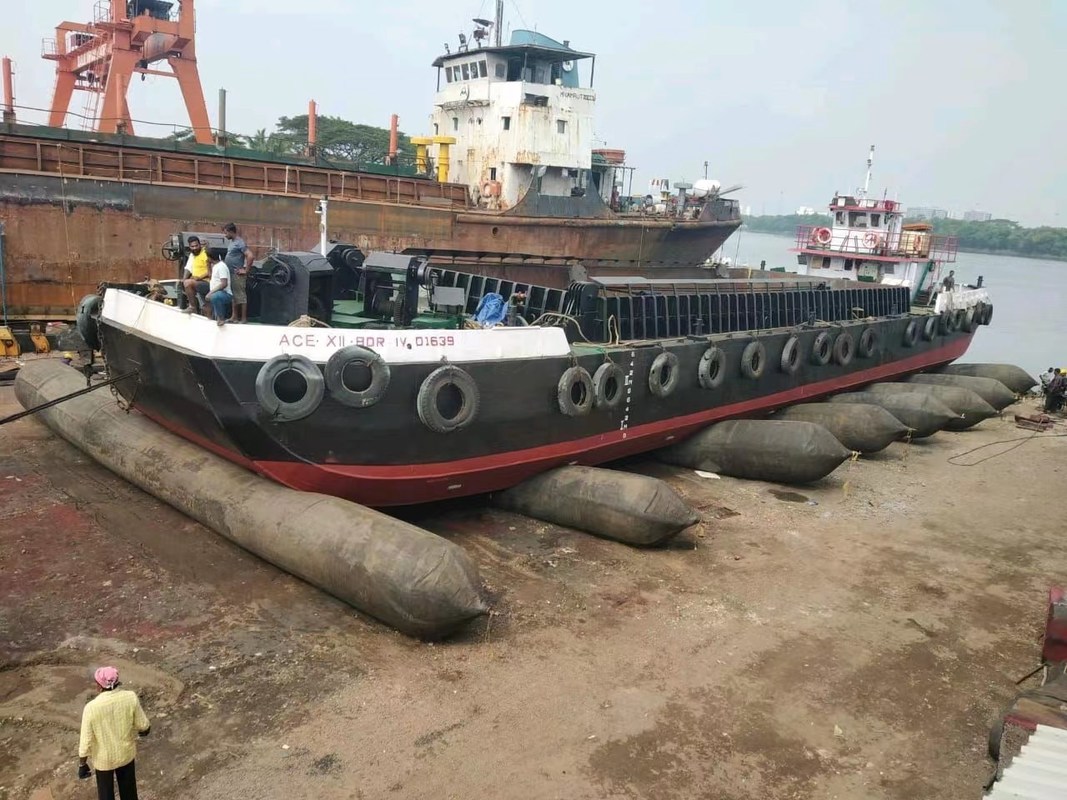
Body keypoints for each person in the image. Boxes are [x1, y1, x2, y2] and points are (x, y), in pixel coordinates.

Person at [78, 666, 150, 800]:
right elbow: (143, 725)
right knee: (129, 793)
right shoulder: (130, 697)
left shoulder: (91, 708)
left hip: (103, 761)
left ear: (99, 686)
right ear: (117, 681)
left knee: (106, 795)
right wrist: (144, 730)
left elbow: (86, 740)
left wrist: (82, 764)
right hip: (125, 755)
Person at [222, 222, 253, 323]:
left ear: (231, 232)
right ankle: (234, 316)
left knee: (241, 296)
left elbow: (250, 256)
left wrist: (246, 270)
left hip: (237, 274)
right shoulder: (232, 242)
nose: (225, 235)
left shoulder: (239, 242)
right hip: (231, 273)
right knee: (234, 296)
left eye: (226, 233)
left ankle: (243, 318)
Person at [180, 236, 210, 313]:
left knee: (188, 283)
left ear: (200, 245)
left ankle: (192, 307)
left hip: (207, 282)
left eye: (196, 245)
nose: (195, 248)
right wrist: (183, 279)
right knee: (184, 282)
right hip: (197, 282)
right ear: (189, 247)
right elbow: (188, 268)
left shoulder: (206, 254)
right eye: (192, 246)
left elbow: (211, 271)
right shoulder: (193, 255)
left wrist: (199, 278)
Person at [205, 252, 233, 325]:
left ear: (210, 258)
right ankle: (213, 318)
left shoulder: (221, 267)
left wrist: (210, 293)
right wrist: (208, 266)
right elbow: (211, 277)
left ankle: (221, 318)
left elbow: (224, 284)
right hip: (216, 292)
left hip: (225, 293)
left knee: (215, 296)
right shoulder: (215, 266)